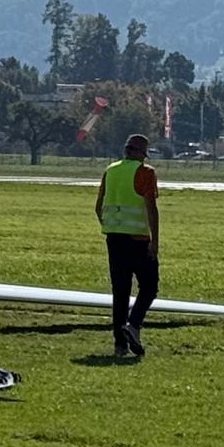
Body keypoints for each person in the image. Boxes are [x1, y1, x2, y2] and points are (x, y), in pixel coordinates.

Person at [93, 133, 159, 358]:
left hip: (113, 238)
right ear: (141, 154)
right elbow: (151, 208)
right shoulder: (145, 172)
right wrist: (155, 241)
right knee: (149, 286)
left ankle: (120, 345)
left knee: (120, 291)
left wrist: (111, 225)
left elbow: (98, 207)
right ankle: (134, 324)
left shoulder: (110, 170)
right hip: (138, 239)